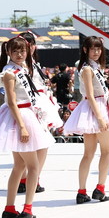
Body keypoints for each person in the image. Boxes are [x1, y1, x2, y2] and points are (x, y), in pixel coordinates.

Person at [0, 36, 55, 218]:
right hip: (21, 118)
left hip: (26, 115)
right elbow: (11, 102)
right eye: (15, 51)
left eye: (22, 50)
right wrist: (23, 127)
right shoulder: (9, 72)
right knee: (33, 166)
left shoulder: (22, 68)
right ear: (8, 52)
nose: (19, 54)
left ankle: (9, 209)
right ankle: (27, 209)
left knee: (19, 166)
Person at [63, 36, 109, 204]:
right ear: (85, 50)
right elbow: (90, 95)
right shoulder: (88, 69)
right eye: (93, 49)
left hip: (91, 108)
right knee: (105, 152)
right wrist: (100, 117)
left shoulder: (92, 67)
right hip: (97, 109)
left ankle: (82, 191)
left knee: (89, 154)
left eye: (98, 49)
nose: (96, 52)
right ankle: (100, 188)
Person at [15, 31, 63, 194]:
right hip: (32, 104)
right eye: (26, 45)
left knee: (37, 143)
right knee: (38, 143)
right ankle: (31, 179)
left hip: (40, 102)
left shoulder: (32, 63)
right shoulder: (21, 65)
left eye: (31, 45)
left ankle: (28, 179)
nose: (30, 48)